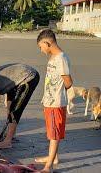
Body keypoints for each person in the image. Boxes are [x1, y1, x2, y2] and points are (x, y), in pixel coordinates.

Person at [35, 29, 73, 173]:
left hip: (56, 102)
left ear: (47, 43)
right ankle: (53, 157)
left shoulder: (61, 58)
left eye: (41, 46)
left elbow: (68, 81)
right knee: (51, 132)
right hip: (49, 101)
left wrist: (64, 95)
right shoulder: (54, 57)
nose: (41, 50)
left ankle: (49, 166)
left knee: (54, 134)